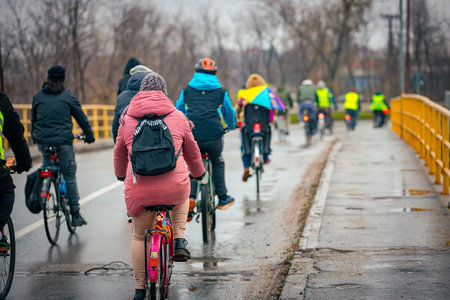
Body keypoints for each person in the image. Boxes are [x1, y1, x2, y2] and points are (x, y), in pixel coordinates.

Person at [114, 73, 205, 300]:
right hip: (174, 188)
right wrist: (199, 174)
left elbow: (119, 154)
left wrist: (119, 175)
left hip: (139, 191)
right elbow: (193, 153)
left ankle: (139, 288)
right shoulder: (178, 116)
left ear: (141, 92)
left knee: (138, 236)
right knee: (183, 194)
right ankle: (179, 239)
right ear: (164, 92)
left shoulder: (127, 118)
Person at [31, 66, 95, 226]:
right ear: (63, 79)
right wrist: (90, 136)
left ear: (48, 78)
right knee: (69, 175)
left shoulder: (38, 97)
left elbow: (33, 121)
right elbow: (81, 118)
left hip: (43, 142)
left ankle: (45, 187)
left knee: (47, 169)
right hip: (63, 143)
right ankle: (75, 215)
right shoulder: (67, 96)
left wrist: (36, 138)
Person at [176, 58, 236, 213]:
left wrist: (181, 129)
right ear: (214, 73)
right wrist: (231, 126)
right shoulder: (221, 92)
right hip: (214, 135)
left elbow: (179, 110)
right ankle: (222, 198)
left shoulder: (187, 91)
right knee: (217, 161)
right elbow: (229, 113)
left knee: (193, 163)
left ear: (196, 72)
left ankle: (191, 198)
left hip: (193, 135)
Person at [0, 91, 32, 244]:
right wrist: (24, 163)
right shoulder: (1, 101)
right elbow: (16, 134)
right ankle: (74, 210)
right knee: (6, 192)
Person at [236, 74, 272, 182]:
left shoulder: (244, 96)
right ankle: (265, 155)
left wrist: (238, 119)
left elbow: (237, 108)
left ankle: (246, 167)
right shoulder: (266, 95)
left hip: (249, 127)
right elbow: (271, 114)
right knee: (268, 132)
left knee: (244, 144)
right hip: (263, 127)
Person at [112, 71, 149, 143]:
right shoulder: (149, 96)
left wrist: (116, 143)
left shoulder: (121, 97)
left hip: (127, 138)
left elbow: (115, 125)